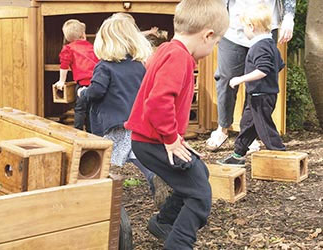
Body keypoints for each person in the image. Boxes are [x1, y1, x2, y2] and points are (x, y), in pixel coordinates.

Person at [124, 0, 229, 248]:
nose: (214, 48)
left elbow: (152, 77)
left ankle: (163, 222)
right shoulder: (178, 58)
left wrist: (173, 138)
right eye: (216, 43)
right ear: (207, 35)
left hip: (149, 140)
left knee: (198, 173)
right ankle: (179, 244)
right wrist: (172, 139)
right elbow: (158, 103)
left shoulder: (167, 50)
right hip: (154, 141)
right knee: (200, 194)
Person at [77, 13, 166, 204]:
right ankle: (156, 177)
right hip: (134, 121)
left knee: (102, 159)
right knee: (137, 155)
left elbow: (97, 92)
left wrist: (83, 93)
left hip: (113, 124)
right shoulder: (138, 66)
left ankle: (97, 195)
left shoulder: (104, 67)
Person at [206, 0, 296, 151]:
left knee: (258, 85)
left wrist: (288, 17)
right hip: (233, 27)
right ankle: (222, 128)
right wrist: (216, 21)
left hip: (266, 26)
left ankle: (249, 134)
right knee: (226, 78)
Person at [217, 4, 286, 167]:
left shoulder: (259, 47)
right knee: (247, 125)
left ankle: (281, 154)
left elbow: (262, 70)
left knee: (264, 128)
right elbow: (279, 65)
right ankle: (238, 154)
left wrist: (240, 79)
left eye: (244, 28)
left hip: (261, 96)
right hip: (258, 95)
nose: (244, 32)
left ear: (251, 27)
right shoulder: (270, 45)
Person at [53, 19, 99, 132]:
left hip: (83, 84)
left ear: (67, 37)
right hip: (95, 83)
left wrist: (61, 81)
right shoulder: (91, 46)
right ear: (83, 34)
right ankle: (90, 133)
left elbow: (64, 65)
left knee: (80, 109)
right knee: (91, 110)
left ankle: (77, 132)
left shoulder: (68, 49)